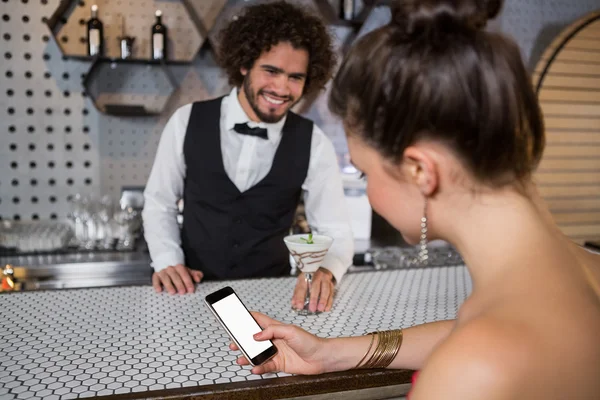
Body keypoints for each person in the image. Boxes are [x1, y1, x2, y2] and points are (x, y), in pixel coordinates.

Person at [229, 0, 600, 398]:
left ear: (421, 171)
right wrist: (330, 353)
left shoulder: (473, 372)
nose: (368, 192)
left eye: (365, 171)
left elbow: (476, 347)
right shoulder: (577, 273)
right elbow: (464, 328)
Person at [142, 1, 354, 313]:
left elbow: (335, 230)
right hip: (189, 293)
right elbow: (159, 203)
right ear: (244, 65)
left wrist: (326, 271)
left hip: (273, 300)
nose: (282, 88)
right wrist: (167, 261)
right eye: (271, 71)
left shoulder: (315, 143)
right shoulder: (187, 121)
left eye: (295, 77)